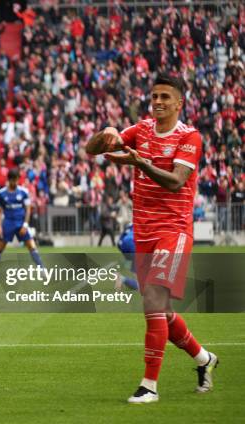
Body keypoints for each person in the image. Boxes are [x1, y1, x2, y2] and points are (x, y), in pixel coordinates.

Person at [85, 73, 217, 404]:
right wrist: (108, 135)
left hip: (173, 230)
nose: (157, 102)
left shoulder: (190, 137)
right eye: (155, 96)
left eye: (165, 97)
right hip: (142, 230)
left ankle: (149, 386)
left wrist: (139, 161)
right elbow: (94, 151)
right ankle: (204, 359)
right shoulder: (141, 129)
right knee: (162, 310)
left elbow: (175, 181)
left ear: (179, 103)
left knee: (152, 304)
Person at [0, 168, 44, 280]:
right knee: (0, 248)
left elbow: (28, 209)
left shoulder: (23, 192)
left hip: (21, 223)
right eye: (13, 180)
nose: (15, 182)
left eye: (16, 180)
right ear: (9, 180)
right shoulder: (1, 193)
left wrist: (25, 225)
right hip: (8, 223)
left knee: (32, 246)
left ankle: (42, 269)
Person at [115, 223, 139, 291]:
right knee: (142, 286)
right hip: (134, 244)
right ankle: (122, 278)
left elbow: (119, 243)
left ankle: (120, 271)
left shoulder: (130, 224)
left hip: (123, 244)